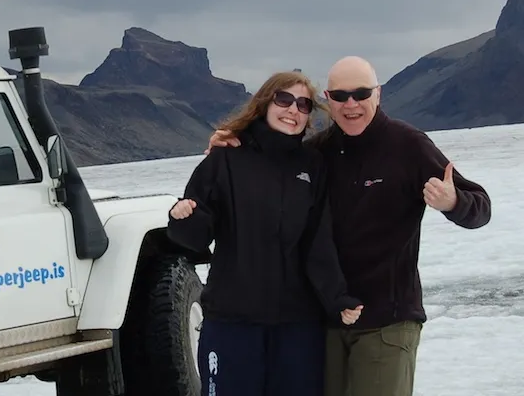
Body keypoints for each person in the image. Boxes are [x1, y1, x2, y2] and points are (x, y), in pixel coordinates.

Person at [205, 56, 492, 396]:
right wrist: (232, 146)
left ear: (378, 94)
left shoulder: (408, 146)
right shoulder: (317, 154)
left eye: (361, 94)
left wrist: (454, 202)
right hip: (325, 321)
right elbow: (270, 163)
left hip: (386, 322)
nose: (351, 104)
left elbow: (480, 205)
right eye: (340, 96)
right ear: (328, 99)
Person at [167, 70, 364, 396]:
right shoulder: (225, 159)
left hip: (297, 326)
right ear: (264, 103)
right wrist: (183, 219)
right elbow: (196, 239)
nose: (293, 110)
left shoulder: (312, 165)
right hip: (233, 323)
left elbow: (317, 241)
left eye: (303, 105)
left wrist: (336, 297)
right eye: (284, 99)